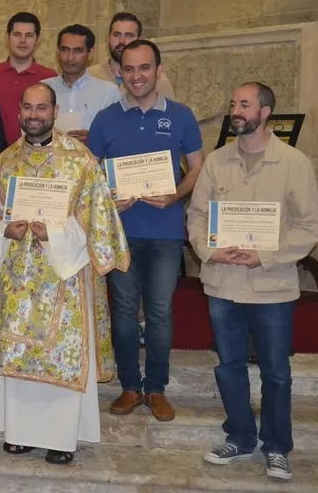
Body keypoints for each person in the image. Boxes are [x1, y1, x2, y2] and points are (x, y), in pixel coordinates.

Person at [0, 82, 129, 464]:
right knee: (20, 352)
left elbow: (98, 221)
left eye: (41, 108)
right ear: (19, 113)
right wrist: (6, 230)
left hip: (64, 274)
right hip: (20, 274)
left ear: (54, 112)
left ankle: (61, 438)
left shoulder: (80, 160)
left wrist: (58, 232)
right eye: (27, 108)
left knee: (60, 353)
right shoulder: (5, 162)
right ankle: (20, 432)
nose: (34, 115)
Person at [188, 82, 318, 482]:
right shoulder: (215, 161)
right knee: (229, 366)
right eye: (233, 104)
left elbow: (309, 224)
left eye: (244, 105)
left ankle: (277, 447)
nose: (236, 110)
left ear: (265, 112)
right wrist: (210, 250)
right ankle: (240, 437)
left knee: (276, 372)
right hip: (223, 282)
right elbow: (197, 216)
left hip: (272, 285)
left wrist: (264, 255)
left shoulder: (294, 163)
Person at [86, 39, 204, 422]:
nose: (136, 75)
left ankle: (156, 388)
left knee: (159, 311)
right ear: (119, 71)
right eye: (129, 68)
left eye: (144, 68)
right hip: (120, 234)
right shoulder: (105, 119)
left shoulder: (182, 116)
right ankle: (129, 387)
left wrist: (175, 196)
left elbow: (198, 169)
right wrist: (108, 199)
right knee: (122, 312)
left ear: (158, 69)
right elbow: (90, 176)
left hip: (166, 232)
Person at [0, 12, 57, 145]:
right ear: (8, 38)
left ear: (38, 40)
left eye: (29, 35)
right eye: (17, 34)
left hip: (39, 154)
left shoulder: (50, 77)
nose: (23, 41)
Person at [41, 24, 121, 142]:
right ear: (57, 51)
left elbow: (120, 137)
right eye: (64, 50)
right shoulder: (43, 90)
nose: (70, 58)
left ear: (91, 53)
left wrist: (95, 139)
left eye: (77, 51)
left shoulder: (109, 92)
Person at [87, 12, 176, 101]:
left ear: (139, 40)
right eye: (117, 34)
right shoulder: (89, 76)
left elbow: (171, 112)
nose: (122, 41)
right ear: (108, 38)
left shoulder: (157, 80)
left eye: (129, 35)